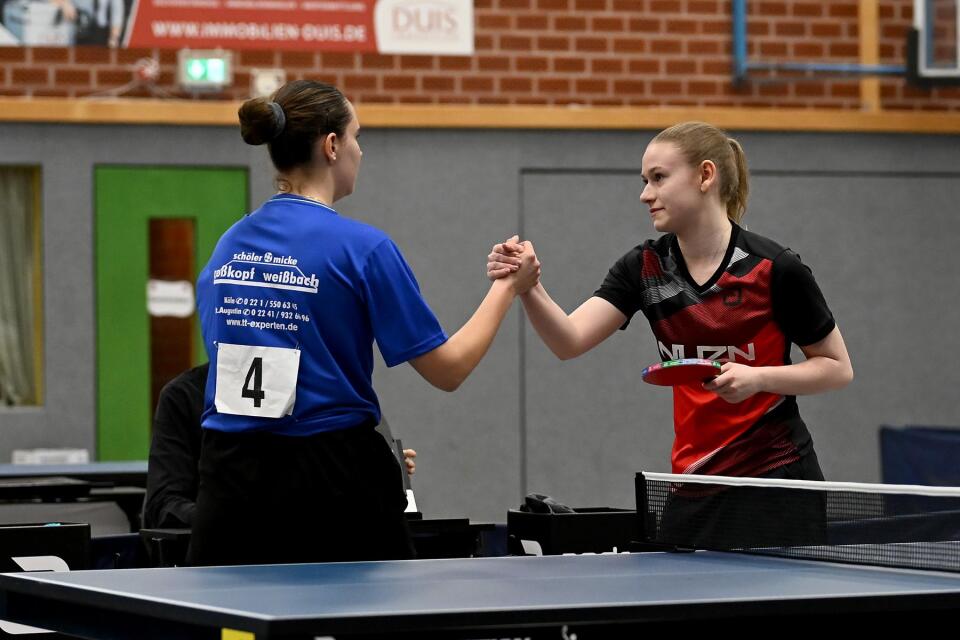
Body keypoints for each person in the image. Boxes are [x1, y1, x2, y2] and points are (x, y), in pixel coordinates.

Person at [188, 80, 539, 567]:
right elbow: (449, 369)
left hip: (229, 480)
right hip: (331, 484)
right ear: (332, 146)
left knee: (231, 613)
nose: (360, 150)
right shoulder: (363, 249)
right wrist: (508, 288)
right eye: (357, 136)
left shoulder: (228, 245)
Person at [488, 121, 853, 548]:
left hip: (776, 480)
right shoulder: (644, 268)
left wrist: (758, 378)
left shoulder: (773, 269)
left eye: (659, 178)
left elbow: (836, 368)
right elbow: (567, 341)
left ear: (705, 175)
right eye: (645, 181)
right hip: (693, 483)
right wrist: (528, 286)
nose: (646, 194)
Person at [143, 362, 417, 530]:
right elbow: (164, 505)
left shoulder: (335, 395)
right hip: (227, 566)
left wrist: (378, 471)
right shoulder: (182, 396)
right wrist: (230, 520)